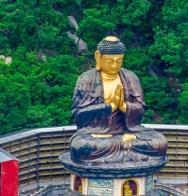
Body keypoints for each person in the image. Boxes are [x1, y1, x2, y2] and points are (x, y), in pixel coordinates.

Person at [66, 37, 168, 165]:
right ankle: (125, 149)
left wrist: (124, 107)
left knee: (159, 143)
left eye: (119, 61)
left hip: (128, 132)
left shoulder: (130, 78)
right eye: (109, 61)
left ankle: (122, 147)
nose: (114, 66)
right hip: (96, 135)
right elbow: (78, 116)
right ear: (98, 57)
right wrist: (110, 107)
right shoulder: (86, 79)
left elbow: (141, 110)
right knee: (82, 147)